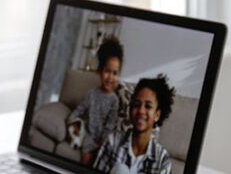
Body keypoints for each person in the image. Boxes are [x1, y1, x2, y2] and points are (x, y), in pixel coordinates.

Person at [93, 75, 175, 174]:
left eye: (148, 106)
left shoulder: (162, 159)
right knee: (121, 169)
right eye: (137, 105)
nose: (141, 110)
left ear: (157, 115)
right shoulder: (113, 142)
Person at [66, 37, 123, 165]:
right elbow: (81, 108)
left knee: (103, 158)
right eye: (108, 71)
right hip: (90, 135)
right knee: (86, 155)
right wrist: (70, 119)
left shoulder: (114, 100)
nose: (111, 77)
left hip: (104, 139)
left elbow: (110, 124)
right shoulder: (92, 93)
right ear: (100, 71)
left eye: (115, 73)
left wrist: (103, 140)